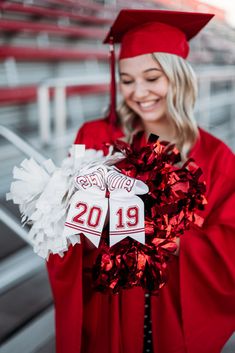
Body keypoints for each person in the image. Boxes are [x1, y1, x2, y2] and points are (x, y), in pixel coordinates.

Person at [46, 9, 235, 353]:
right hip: (110, 308)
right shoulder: (97, 137)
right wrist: (72, 223)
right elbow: (65, 234)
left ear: (178, 77)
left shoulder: (215, 156)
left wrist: (167, 239)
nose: (138, 92)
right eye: (127, 79)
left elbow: (230, 245)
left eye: (152, 77)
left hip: (173, 311)